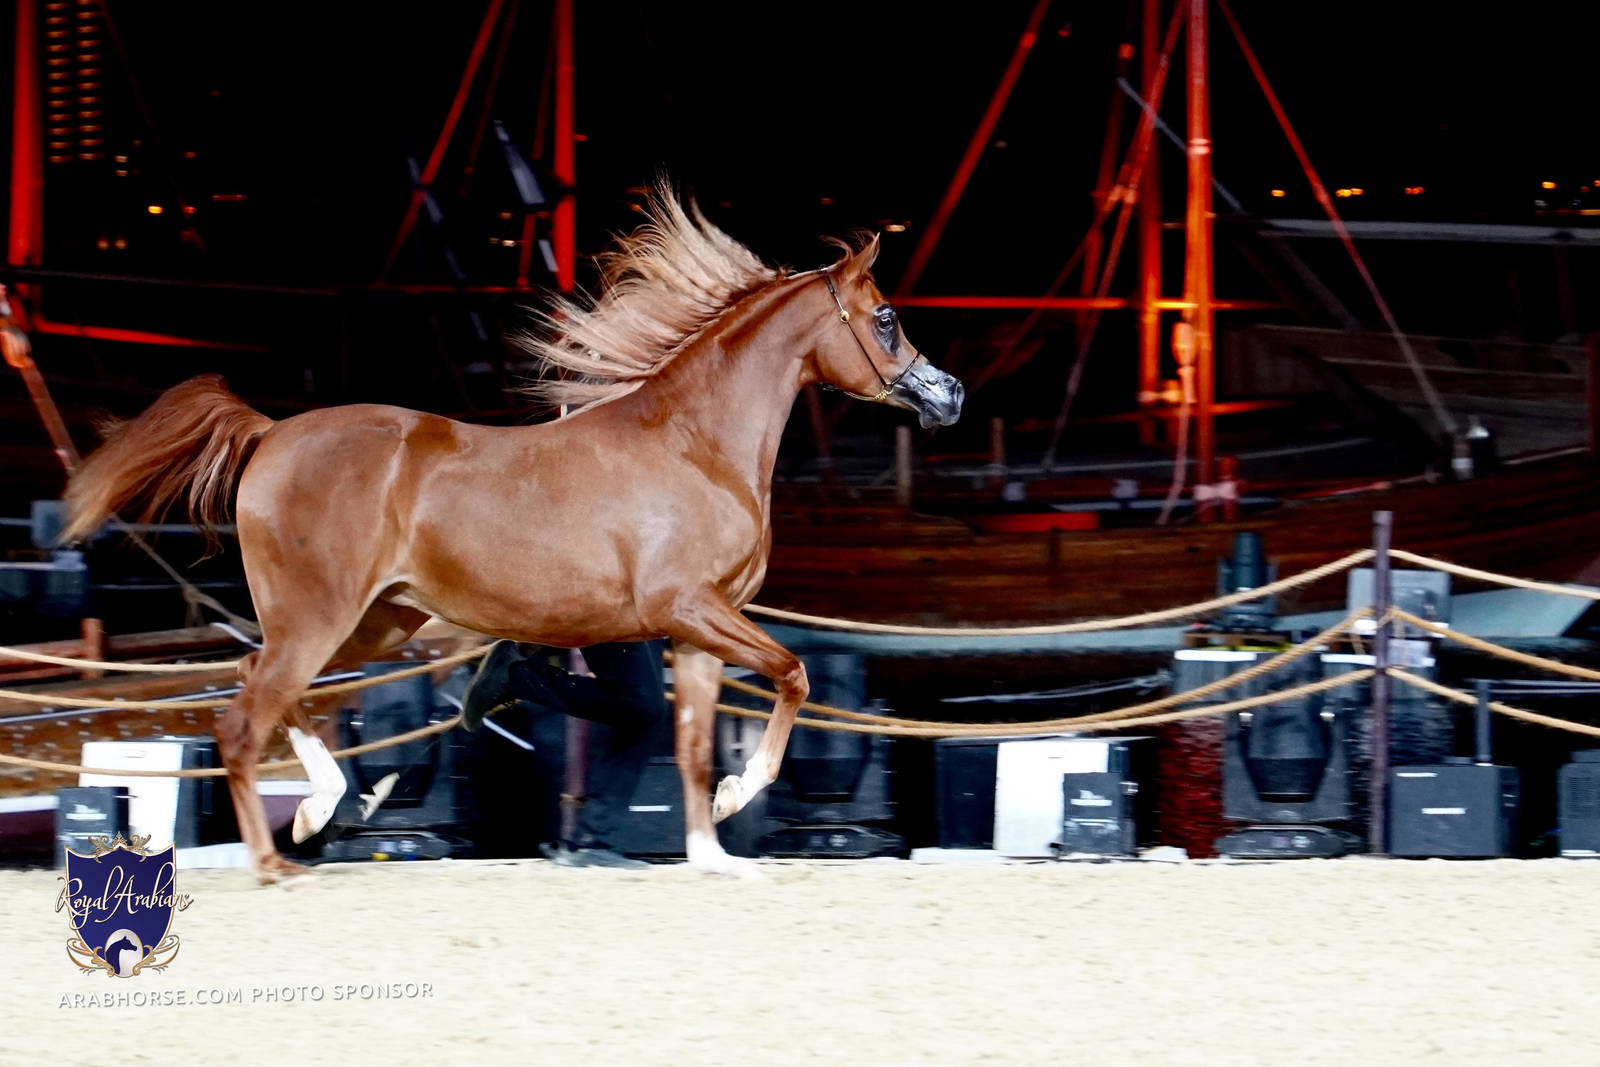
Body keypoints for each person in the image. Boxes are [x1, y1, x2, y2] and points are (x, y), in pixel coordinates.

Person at [461, 638, 668, 868]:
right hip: (625, 604)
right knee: (641, 705)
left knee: (644, 706)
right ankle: (516, 677)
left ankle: (596, 841)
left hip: (653, 611)